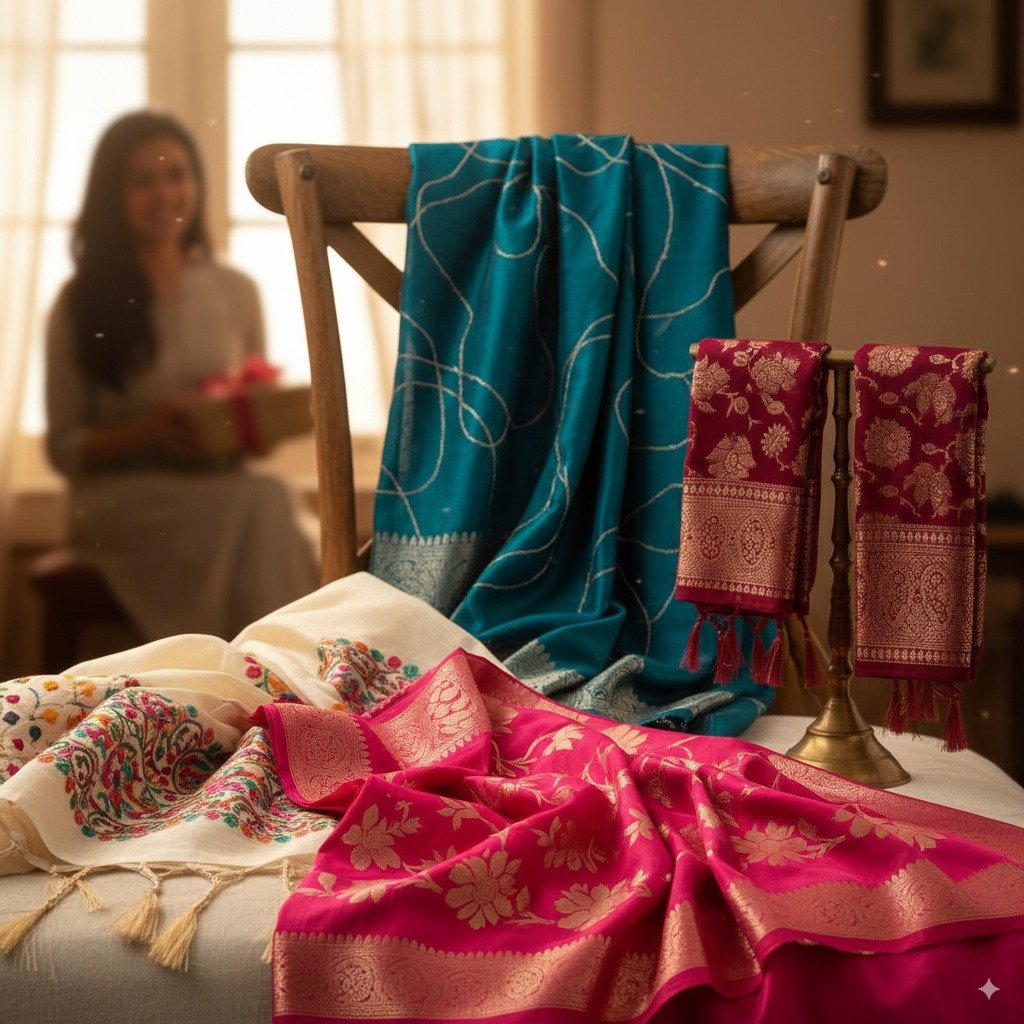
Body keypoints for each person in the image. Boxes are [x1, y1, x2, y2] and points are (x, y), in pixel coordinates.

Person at [45, 110, 319, 642]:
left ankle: (254, 683)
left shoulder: (237, 290)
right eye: (141, 180)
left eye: (176, 175)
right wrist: (150, 431)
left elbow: (247, 431)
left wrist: (246, 423)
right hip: (119, 503)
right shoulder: (79, 304)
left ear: (196, 182)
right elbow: (63, 449)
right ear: (112, 195)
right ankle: (272, 679)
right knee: (265, 505)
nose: (164, 193)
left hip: (221, 491)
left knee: (265, 498)